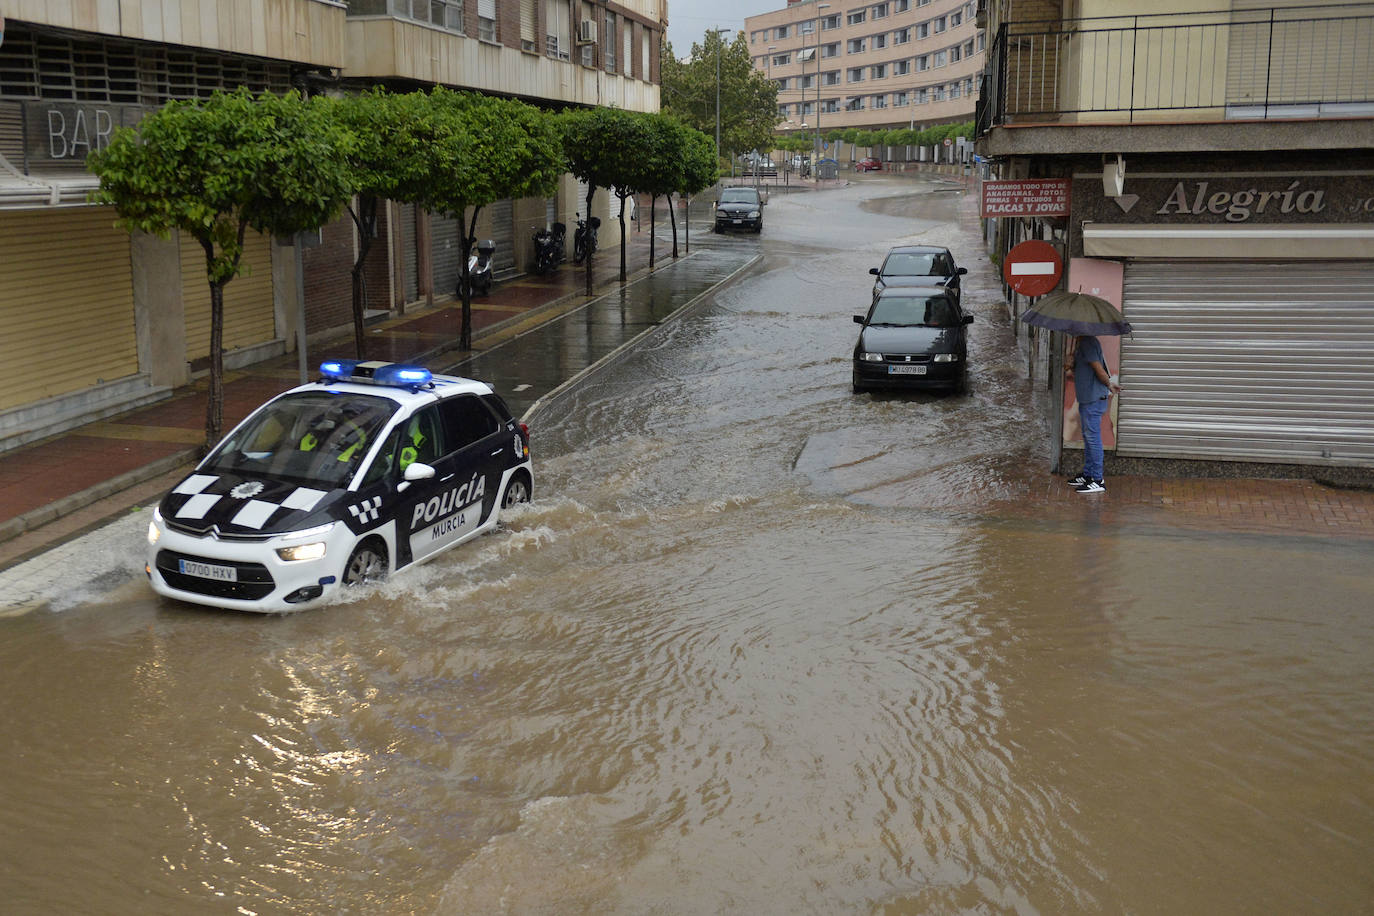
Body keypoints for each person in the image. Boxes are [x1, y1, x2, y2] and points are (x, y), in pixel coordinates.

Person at [1066, 335, 1121, 493]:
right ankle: (1088, 474)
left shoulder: (1088, 342)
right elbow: (1081, 372)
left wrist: (1109, 384)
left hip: (1093, 399)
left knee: (1093, 438)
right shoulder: (1081, 343)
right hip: (1086, 398)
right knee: (1089, 437)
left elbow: (1098, 368)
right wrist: (1070, 363)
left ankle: (1097, 479)